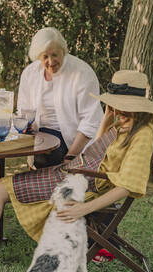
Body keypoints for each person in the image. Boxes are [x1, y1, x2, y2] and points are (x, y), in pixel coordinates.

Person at [0, 70, 153, 270]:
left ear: (138, 108)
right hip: (74, 173)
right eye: (116, 107)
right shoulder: (129, 123)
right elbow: (100, 148)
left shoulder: (142, 134)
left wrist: (83, 208)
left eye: (124, 109)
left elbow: (128, 184)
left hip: (81, 185)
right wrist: (108, 117)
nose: (119, 113)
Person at [17, 27, 103, 168]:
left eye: (55, 55)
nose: (51, 62)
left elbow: (91, 120)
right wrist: (27, 125)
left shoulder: (82, 73)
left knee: (46, 154)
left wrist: (71, 156)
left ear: (63, 51)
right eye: (45, 57)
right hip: (40, 137)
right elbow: (23, 110)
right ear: (38, 57)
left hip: (72, 140)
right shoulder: (30, 73)